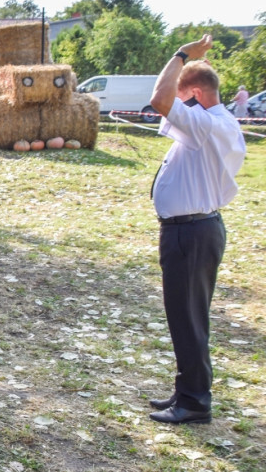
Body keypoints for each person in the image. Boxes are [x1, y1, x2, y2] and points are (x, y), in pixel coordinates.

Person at [147, 34, 246, 425]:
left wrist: (181, 54)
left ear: (196, 94)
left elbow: (160, 98)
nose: (176, 107)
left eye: (182, 97)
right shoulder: (212, 126)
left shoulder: (207, 124)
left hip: (191, 233)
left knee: (188, 318)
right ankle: (187, 389)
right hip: (192, 230)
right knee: (187, 316)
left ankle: (194, 401)